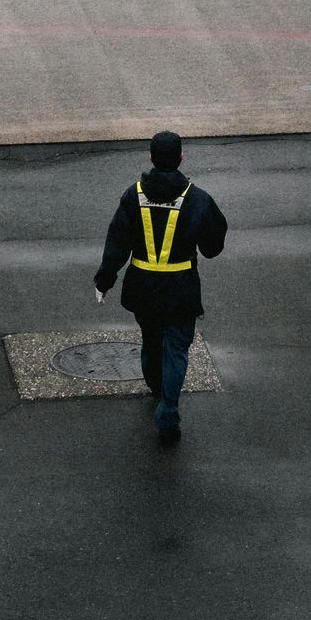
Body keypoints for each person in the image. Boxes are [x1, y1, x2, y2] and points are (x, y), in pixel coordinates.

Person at [93, 131, 226, 447]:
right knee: (176, 349)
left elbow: (117, 244)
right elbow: (212, 247)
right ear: (181, 158)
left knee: (152, 342)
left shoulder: (133, 195)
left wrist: (104, 280)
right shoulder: (197, 199)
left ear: (151, 159)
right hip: (180, 290)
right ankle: (168, 409)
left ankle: (155, 386)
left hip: (142, 289)